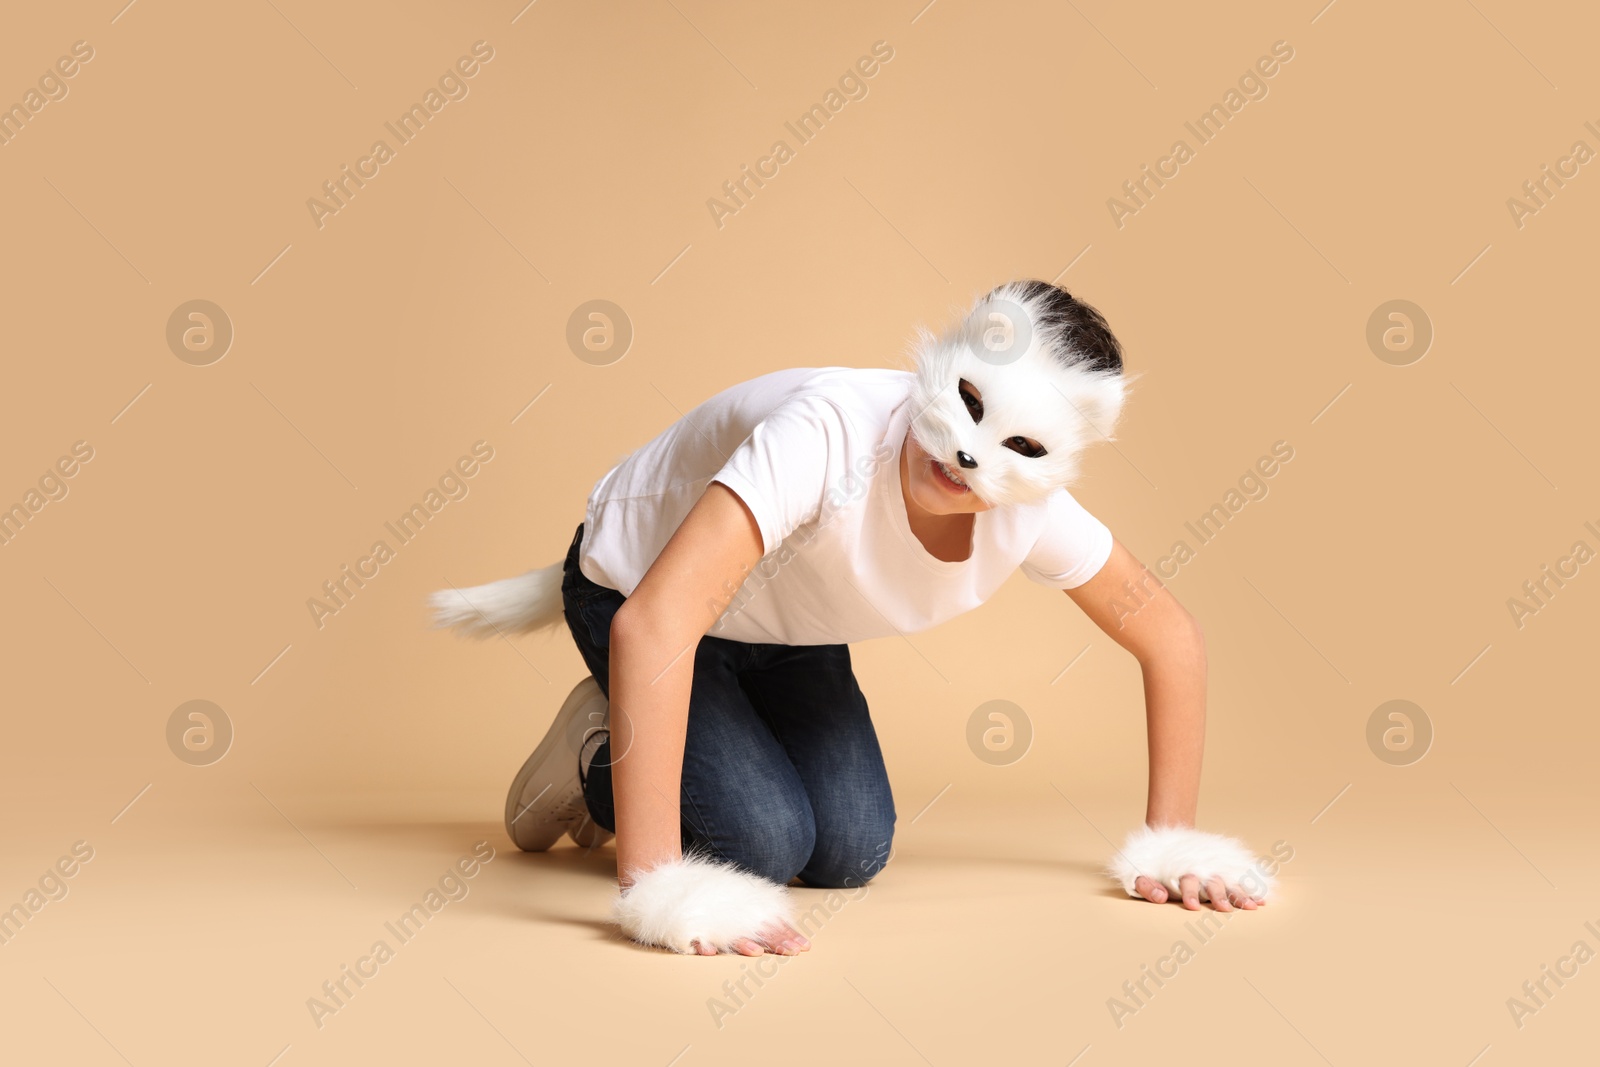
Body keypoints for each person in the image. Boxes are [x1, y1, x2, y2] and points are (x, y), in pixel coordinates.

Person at [431, 280, 1274, 956]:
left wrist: (1172, 841)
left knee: (849, 851)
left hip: (784, 625)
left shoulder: (1027, 509)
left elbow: (1170, 635)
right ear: (945, 353)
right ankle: (595, 751)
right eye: (970, 400)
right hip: (638, 590)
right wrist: (653, 885)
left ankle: (674, 735)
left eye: (1022, 445)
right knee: (761, 841)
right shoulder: (828, 431)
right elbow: (654, 626)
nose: (972, 454)